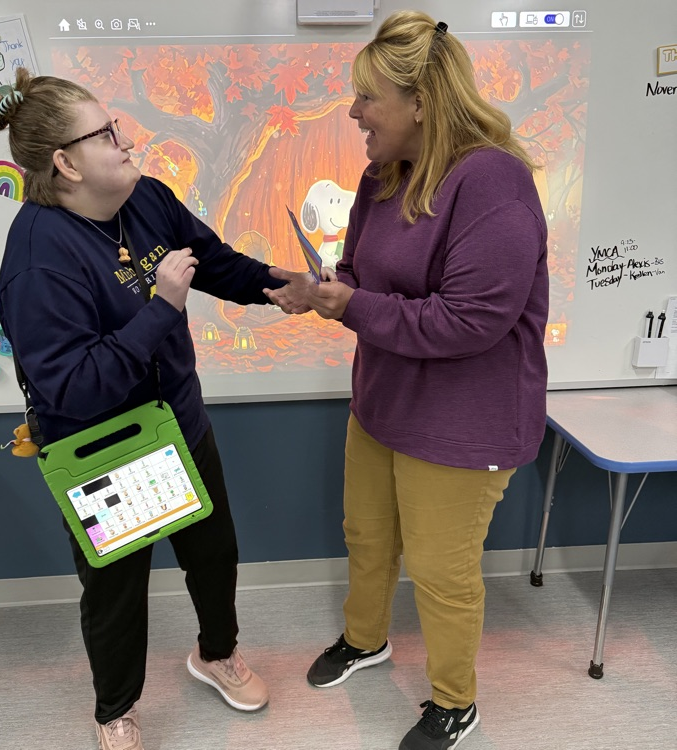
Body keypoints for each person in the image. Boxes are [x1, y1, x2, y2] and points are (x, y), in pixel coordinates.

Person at [0, 68, 308, 750]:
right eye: (105, 134)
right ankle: (115, 711)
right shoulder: (38, 261)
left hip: (180, 425)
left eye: (116, 125)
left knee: (214, 555)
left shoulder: (148, 199)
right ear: (65, 163)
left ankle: (215, 655)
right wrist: (161, 308)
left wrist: (279, 285)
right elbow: (76, 387)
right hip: (107, 450)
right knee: (116, 592)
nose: (125, 141)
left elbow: (211, 262)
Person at [266, 11, 549, 750]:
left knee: (440, 571)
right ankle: (367, 641)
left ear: (420, 100)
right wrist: (324, 288)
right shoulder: (382, 175)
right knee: (367, 536)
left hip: (465, 423)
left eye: (367, 98)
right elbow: (362, 274)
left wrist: (353, 304)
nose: (354, 112)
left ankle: (455, 703)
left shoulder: (493, 181)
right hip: (384, 405)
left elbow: (471, 323)